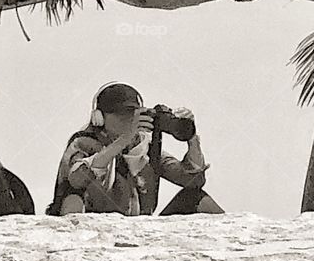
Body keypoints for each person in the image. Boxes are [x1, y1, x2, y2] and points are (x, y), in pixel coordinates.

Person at [46, 82, 223, 216]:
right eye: (121, 114)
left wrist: (191, 138)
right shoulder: (84, 142)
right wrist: (122, 141)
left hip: (138, 231)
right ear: (99, 117)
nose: (128, 119)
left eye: (132, 113)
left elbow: (193, 182)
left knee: (195, 197)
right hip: (91, 228)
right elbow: (78, 179)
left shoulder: (144, 148)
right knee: (73, 197)